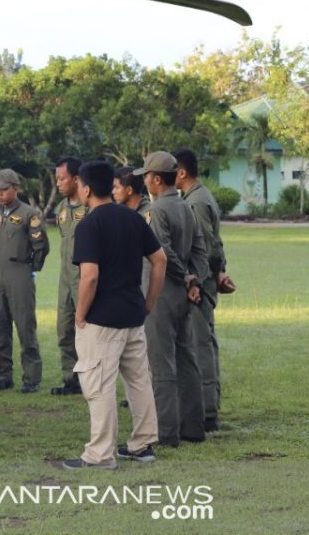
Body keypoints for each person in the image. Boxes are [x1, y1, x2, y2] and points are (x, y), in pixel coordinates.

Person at [61, 161, 167, 469]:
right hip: (133, 314)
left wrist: (80, 315)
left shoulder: (89, 226)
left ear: (88, 189)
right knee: (138, 381)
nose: (78, 189)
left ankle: (100, 454)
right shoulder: (133, 219)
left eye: (80, 184)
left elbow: (89, 277)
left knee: (99, 385)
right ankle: (142, 445)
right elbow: (159, 260)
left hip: (102, 320)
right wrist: (149, 301)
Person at [134, 151, 207, 446]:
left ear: (154, 179)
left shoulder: (156, 210)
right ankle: (193, 426)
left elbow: (161, 252)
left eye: (146, 177)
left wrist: (186, 277)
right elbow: (200, 249)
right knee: (187, 359)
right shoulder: (186, 206)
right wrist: (195, 280)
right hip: (183, 294)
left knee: (160, 361)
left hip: (162, 290)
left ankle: (165, 432)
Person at [173, 148, 229, 432]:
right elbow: (216, 245)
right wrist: (220, 271)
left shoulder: (194, 202)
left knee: (199, 344)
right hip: (208, 277)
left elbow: (206, 247)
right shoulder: (200, 196)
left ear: (181, 173)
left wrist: (196, 280)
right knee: (205, 341)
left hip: (200, 281)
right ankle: (210, 405)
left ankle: (207, 410)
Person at [0, 169, 49, 392]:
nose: (0, 194)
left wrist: (31, 269)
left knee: (25, 326)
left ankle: (31, 378)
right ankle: (3, 376)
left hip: (20, 271)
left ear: (16, 188)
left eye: (4, 189)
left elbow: (41, 247)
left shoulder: (30, 214)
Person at [51, 156, 87, 396]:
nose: (58, 184)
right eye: (56, 179)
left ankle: (90, 381)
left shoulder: (91, 208)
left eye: (62, 179)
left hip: (85, 279)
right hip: (65, 280)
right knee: (64, 331)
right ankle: (70, 381)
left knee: (88, 333)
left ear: (76, 179)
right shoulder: (61, 209)